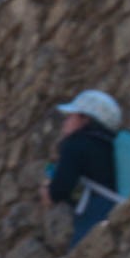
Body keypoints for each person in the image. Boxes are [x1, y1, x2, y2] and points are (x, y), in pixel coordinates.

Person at [41, 90, 121, 248]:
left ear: (86, 119)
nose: (65, 122)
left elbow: (59, 190)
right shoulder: (111, 146)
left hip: (93, 218)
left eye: (71, 116)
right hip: (118, 210)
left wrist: (48, 192)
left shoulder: (75, 144)